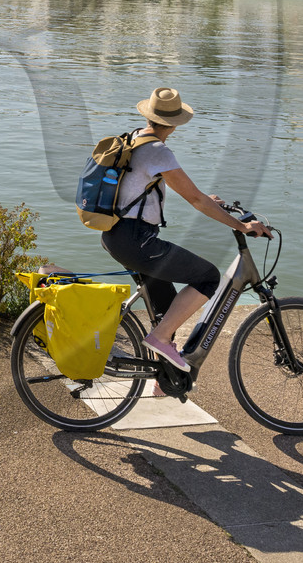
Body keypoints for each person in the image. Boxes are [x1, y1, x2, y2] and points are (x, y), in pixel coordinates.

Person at [97, 87, 269, 372]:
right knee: (207, 277)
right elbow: (195, 199)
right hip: (137, 240)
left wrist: (205, 200)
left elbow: (153, 187)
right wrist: (241, 225)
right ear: (175, 124)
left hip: (115, 235)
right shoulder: (157, 150)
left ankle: (162, 378)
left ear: (149, 115)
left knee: (166, 310)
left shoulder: (134, 139)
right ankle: (160, 339)